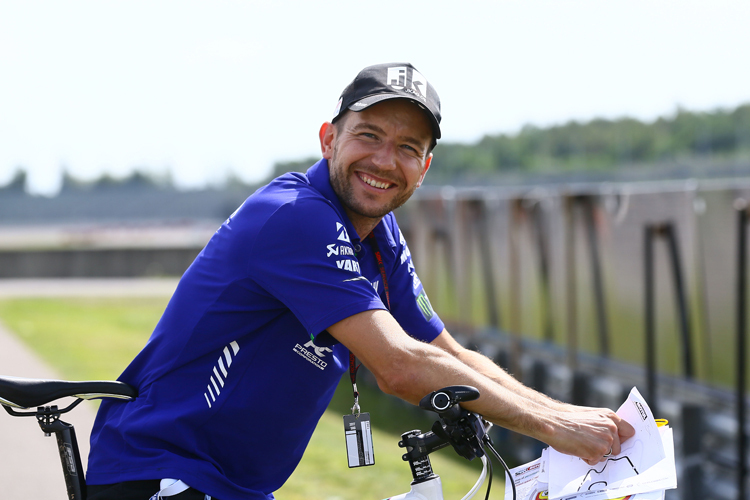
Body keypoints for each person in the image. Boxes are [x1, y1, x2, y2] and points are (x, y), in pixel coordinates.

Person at [86, 62, 634, 500]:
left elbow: (442, 351)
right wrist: (550, 429)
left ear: (425, 168)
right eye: (368, 135)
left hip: (233, 485)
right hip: (166, 473)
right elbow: (399, 366)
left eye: (407, 148)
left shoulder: (377, 230)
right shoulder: (297, 215)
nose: (384, 160)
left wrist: (566, 414)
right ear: (329, 139)